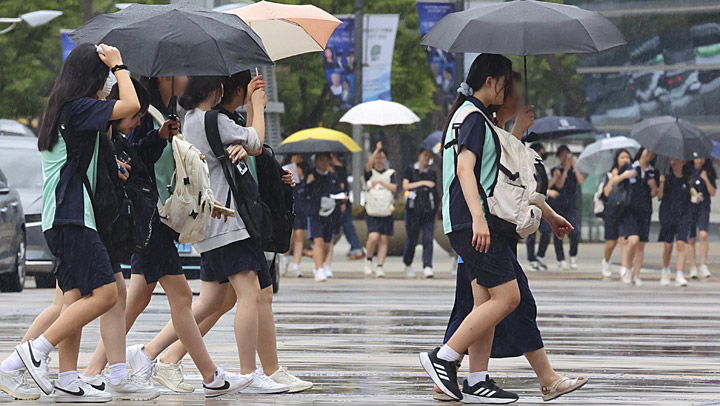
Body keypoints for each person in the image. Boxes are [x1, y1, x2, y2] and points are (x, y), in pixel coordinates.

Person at [144, 72, 310, 394]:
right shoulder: (214, 121)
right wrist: (257, 105)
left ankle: (159, 355)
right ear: (218, 88)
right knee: (251, 294)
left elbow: (249, 149)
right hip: (230, 223)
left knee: (215, 300)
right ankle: (251, 373)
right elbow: (257, 142)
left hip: (210, 225)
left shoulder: (190, 118)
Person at [429, 65, 586, 403]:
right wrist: (478, 220)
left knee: (484, 301)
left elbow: (506, 181)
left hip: (483, 222)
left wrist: (549, 214)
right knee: (511, 299)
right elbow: (467, 172)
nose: (510, 94)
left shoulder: (478, 118)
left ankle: (477, 377)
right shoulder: (474, 117)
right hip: (479, 223)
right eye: (507, 86)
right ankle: (444, 358)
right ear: (491, 82)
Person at [0, 43, 142, 403]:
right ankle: (33, 353)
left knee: (75, 297)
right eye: (105, 75)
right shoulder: (78, 107)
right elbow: (132, 107)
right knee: (106, 293)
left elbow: (88, 155)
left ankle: (66, 376)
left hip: (65, 215)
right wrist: (120, 65)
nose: (109, 81)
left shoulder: (64, 107)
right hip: (71, 216)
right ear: (92, 76)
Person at [619, 147, 658, 286]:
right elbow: (617, 182)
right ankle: (627, 269)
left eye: (652, 153)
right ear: (641, 151)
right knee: (633, 240)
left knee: (641, 245)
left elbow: (654, 194)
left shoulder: (653, 171)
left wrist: (654, 187)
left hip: (645, 211)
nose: (649, 154)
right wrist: (625, 176)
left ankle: (636, 275)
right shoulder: (630, 167)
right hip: (630, 210)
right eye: (647, 150)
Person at [402, 148, 440, 278]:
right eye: (425, 155)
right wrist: (422, 183)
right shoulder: (411, 170)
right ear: (419, 155)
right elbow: (406, 186)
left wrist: (435, 213)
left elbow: (435, 193)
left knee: (428, 239)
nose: (426, 158)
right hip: (413, 211)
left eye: (429, 156)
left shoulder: (432, 172)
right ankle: (408, 263)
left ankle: (428, 266)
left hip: (428, 212)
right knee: (412, 238)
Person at [363, 141, 398, 278]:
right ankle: (369, 259)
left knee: (383, 239)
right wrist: (376, 150)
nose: (379, 160)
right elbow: (367, 166)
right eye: (377, 157)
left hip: (386, 210)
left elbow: (395, 188)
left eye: (382, 157)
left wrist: (382, 182)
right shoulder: (369, 173)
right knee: (373, 236)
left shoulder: (390, 173)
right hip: (372, 210)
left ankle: (380, 266)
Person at [306, 152, 342, 282]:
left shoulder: (333, 177)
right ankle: (319, 268)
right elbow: (304, 192)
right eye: (321, 160)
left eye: (326, 160)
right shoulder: (311, 175)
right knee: (318, 241)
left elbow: (338, 192)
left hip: (330, 213)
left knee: (327, 244)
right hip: (316, 214)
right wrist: (308, 183)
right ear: (316, 161)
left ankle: (321, 264)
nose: (324, 163)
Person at [657, 158, 693, 287]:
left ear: (683, 162)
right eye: (672, 159)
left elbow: (691, 195)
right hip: (668, 214)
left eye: (677, 159)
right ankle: (665, 270)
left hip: (683, 214)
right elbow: (659, 197)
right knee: (668, 246)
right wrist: (661, 183)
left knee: (681, 244)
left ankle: (679, 273)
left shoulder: (687, 179)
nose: (673, 161)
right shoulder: (666, 177)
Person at [600, 149, 634, 280]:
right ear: (617, 160)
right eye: (622, 157)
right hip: (612, 211)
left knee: (623, 240)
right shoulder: (610, 175)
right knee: (611, 242)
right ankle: (606, 261)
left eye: (627, 157)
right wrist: (618, 177)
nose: (625, 160)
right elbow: (606, 193)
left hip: (626, 210)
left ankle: (625, 267)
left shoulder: (632, 175)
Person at [549, 145, 584, 270]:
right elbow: (559, 185)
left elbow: (581, 182)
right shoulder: (556, 169)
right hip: (558, 204)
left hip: (571, 205)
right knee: (558, 232)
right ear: (559, 157)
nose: (566, 158)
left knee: (574, 232)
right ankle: (561, 258)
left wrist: (574, 167)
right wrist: (564, 171)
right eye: (563, 155)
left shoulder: (575, 170)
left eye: (567, 155)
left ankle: (573, 255)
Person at [281, 154, 311, 277]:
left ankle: (296, 265)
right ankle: (285, 260)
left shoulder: (306, 167)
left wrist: (299, 170)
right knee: (289, 234)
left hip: (301, 205)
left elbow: (305, 184)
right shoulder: (285, 165)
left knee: (299, 234)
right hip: (288, 203)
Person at [330, 153, 364, 261]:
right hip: (333, 203)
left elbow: (342, 187)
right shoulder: (333, 168)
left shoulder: (339, 169)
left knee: (346, 225)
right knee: (344, 226)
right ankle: (356, 247)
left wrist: (343, 203)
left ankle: (356, 247)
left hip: (341, 203)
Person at [525, 143, 553, 272]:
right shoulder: (527, 164)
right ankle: (531, 259)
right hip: (530, 202)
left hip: (542, 203)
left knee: (546, 231)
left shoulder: (544, 166)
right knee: (531, 232)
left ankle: (540, 256)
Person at [687, 158, 716, 279]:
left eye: (702, 158)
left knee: (703, 234)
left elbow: (713, 192)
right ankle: (693, 266)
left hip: (703, 207)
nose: (700, 160)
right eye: (698, 158)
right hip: (690, 207)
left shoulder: (708, 172)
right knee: (691, 238)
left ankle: (703, 264)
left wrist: (706, 179)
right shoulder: (687, 171)